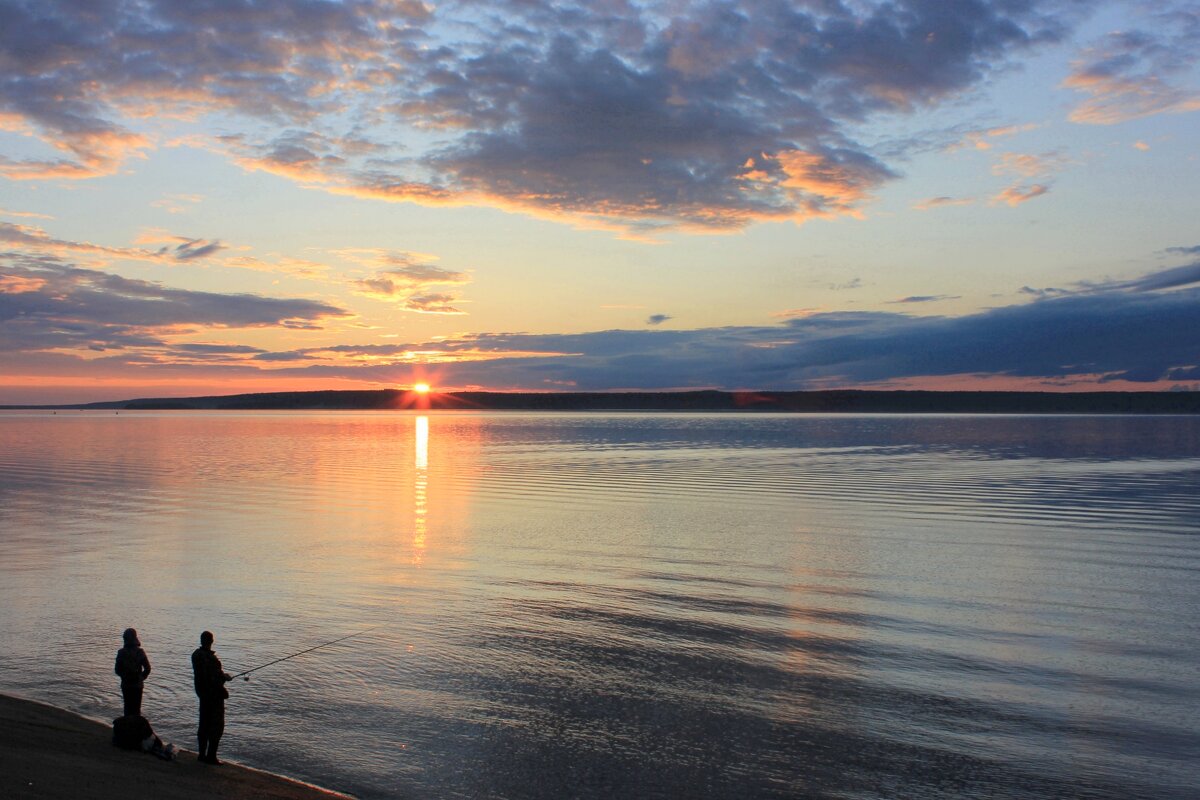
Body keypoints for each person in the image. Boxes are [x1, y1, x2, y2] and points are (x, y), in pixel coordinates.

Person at [191, 630, 232, 765]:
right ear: (211, 641)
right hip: (213, 696)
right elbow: (216, 678)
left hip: (202, 694)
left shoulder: (196, 655)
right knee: (216, 726)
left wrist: (221, 676)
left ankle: (202, 754)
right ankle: (211, 756)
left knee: (203, 724)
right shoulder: (211, 659)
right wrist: (225, 677)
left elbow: (206, 675)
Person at [114, 628, 151, 717]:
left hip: (126, 684)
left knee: (127, 708)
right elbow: (148, 668)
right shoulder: (140, 652)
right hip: (137, 685)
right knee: (136, 709)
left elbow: (117, 670)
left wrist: (124, 676)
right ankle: (135, 729)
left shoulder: (121, 652)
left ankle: (127, 728)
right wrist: (140, 678)